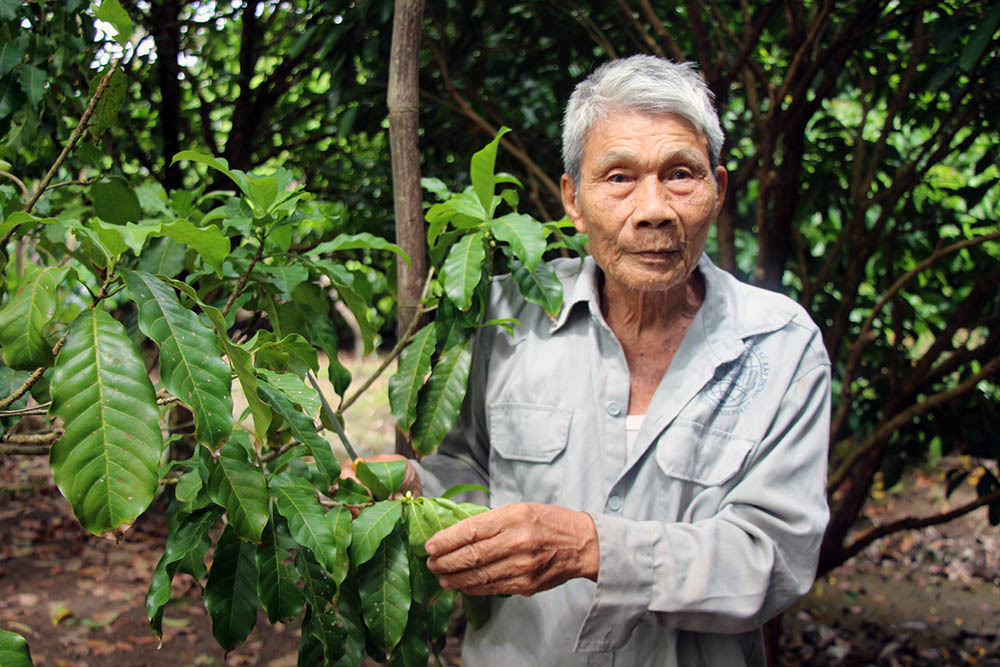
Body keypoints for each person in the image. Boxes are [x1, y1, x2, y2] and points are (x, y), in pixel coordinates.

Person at [408, 55, 830, 666]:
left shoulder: (781, 346)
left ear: (717, 191)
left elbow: (773, 558)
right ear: (573, 200)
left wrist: (592, 547)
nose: (654, 208)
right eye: (619, 178)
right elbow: (467, 466)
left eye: (680, 174)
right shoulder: (505, 315)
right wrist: (413, 490)